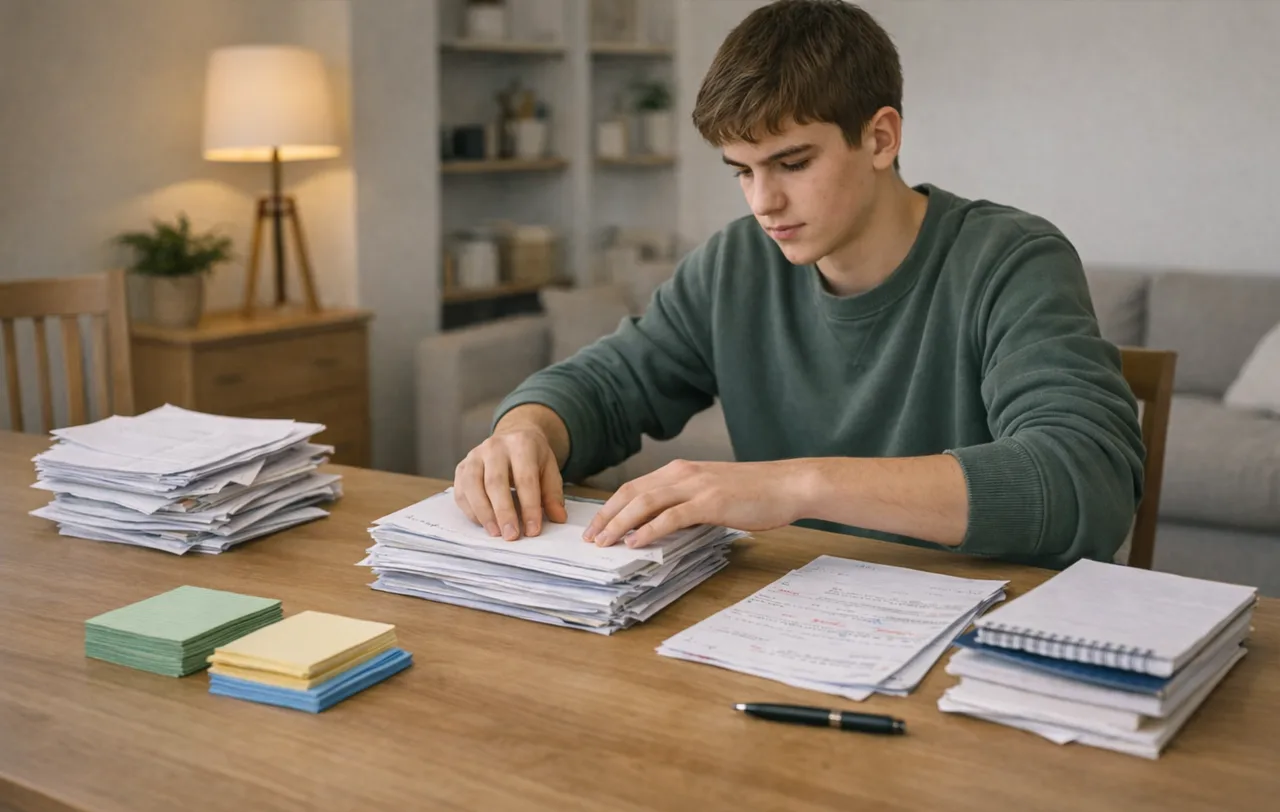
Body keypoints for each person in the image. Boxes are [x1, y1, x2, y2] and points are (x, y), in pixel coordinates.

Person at [451, 0, 1144, 570]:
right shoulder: (736, 264)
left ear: (880, 139)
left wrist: (794, 483)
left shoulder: (1011, 259)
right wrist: (525, 430)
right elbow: (606, 385)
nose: (764, 202)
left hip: (988, 633)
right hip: (801, 622)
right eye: (742, 171)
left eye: (792, 163)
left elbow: (1087, 478)